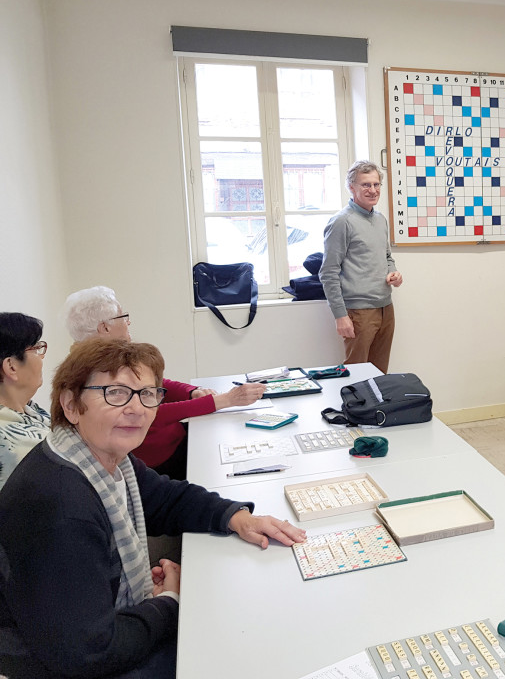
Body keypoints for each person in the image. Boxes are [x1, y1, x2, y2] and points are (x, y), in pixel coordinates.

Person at [0, 338, 306, 679]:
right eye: (115, 393)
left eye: (148, 394)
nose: (138, 408)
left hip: (81, 635)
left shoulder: (99, 457)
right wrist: (168, 604)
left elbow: (164, 497)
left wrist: (236, 516)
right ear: (71, 405)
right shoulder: (62, 508)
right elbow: (89, 652)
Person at [63, 286, 264, 479]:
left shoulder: (109, 357)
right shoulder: (95, 370)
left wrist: (192, 392)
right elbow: (149, 413)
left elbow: (157, 385)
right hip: (161, 461)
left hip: (174, 440)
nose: (128, 323)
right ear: (105, 327)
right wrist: (225, 400)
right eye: (123, 317)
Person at [321, 160, 404, 373]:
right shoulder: (342, 222)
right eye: (366, 185)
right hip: (358, 313)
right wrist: (340, 316)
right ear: (352, 187)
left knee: (379, 374)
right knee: (355, 377)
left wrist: (392, 272)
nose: (373, 190)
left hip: (386, 308)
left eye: (376, 185)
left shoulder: (380, 220)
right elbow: (328, 272)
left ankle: (377, 409)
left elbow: (386, 256)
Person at [0, 313, 50, 491]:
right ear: (11, 366)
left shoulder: (33, 411)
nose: (41, 357)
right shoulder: (12, 443)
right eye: (36, 349)